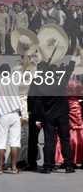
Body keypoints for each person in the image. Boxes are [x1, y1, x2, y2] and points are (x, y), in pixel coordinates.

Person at [39, 46, 77, 174]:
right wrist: (74, 54)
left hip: (48, 115)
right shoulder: (60, 82)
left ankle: (47, 166)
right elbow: (70, 70)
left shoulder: (42, 84)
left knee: (49, 141)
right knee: (64, 140)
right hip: (62, 114)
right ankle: (67, 165)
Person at [0, 57, 25, 174]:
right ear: (9, 73)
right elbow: (23, 68)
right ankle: (14, 168)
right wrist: (25, 52)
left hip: (1, 115)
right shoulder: (14, 81)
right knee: (14, 142)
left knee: (0, 142)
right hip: (14, 114)